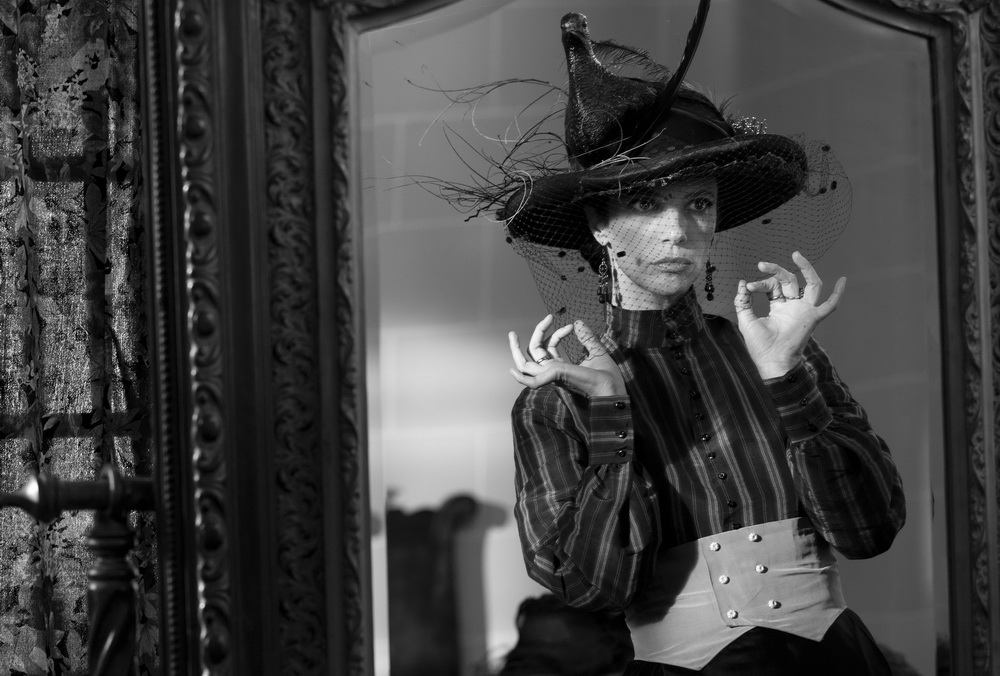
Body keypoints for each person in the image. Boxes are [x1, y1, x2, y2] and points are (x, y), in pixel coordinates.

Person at [492, 6, 905, 676]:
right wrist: (611, 415)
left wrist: (786, 380)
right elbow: (594, 588)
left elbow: (868, 531)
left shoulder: (779, 353)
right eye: (646, 204)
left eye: (699, 203)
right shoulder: (558, 400)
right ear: (598, 223)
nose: (678, 232)